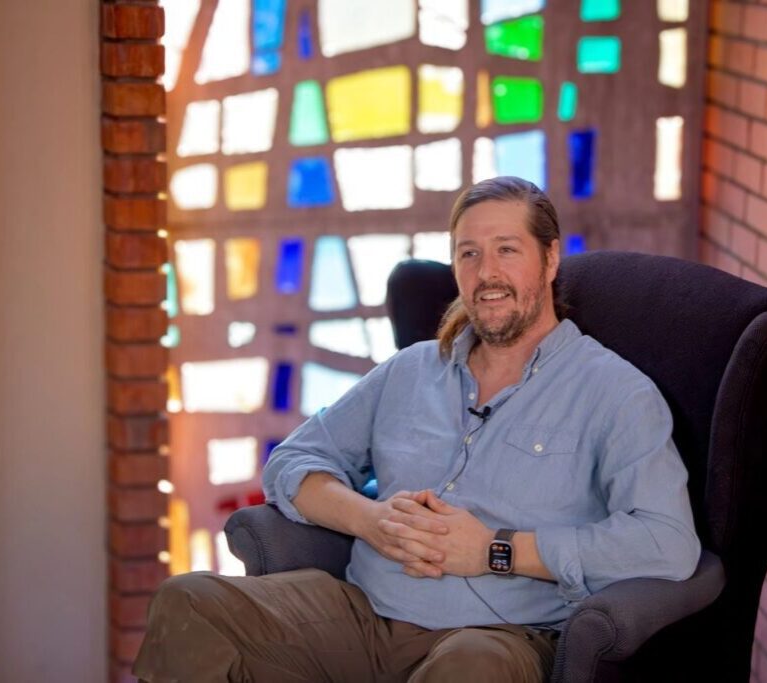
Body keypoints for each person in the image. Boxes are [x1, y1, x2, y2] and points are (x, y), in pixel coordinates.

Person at [133, 176, 700, 682]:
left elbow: (668, 544)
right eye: (469, 254)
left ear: (550, 259)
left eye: (508, 250)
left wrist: (493, 551)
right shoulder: (411, 369)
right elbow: (292, 462)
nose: (487, 273)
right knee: (191, 602)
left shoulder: (615, 393)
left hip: (497, 634)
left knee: (470, 670)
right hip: (363, 614)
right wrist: (372, 521)